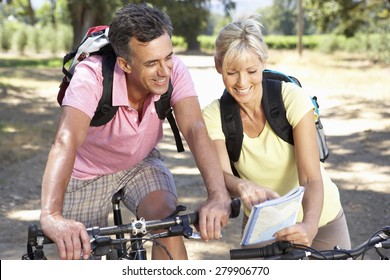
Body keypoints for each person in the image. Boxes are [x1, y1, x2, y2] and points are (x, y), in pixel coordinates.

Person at [40, 3, 232, 260]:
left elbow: (196, 129)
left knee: (168, 223)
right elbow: (65, 141)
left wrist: (218, 196)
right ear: (125, 64)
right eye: (152, 63)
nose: (164, 71)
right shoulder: (91, 76)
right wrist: (51, 215)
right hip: (86, 172)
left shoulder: (174, 71)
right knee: (80, 250)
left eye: (168, 57)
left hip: (140, 164)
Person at [202, 15, 351, 250]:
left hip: (320, 220)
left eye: (251, 70)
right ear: (218, 65)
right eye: (232, 72)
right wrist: (241, 185)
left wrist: (309, 227)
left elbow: (311, 178)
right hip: (262, 228)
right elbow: (220, 174)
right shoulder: (213, 115)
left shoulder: (291, 97)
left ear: (263, 62)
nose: (242, 83)